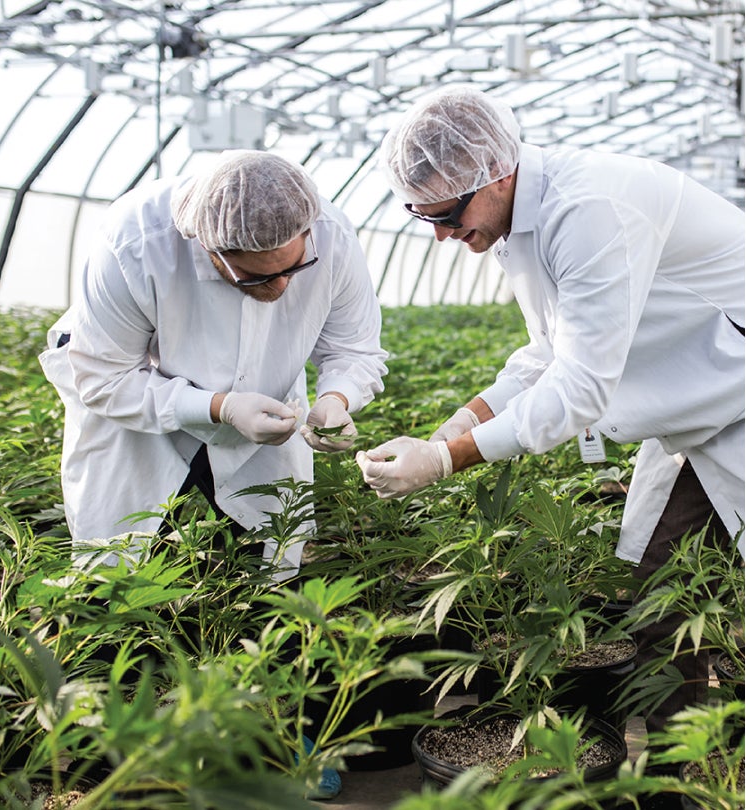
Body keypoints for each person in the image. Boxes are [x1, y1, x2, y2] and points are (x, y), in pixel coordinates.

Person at [356, 85, 744, 742]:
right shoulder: (516, 222)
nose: (447, 236)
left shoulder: (590, 207)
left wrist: (448, 459)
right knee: (663, 590)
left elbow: (579, 387)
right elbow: (546, 351)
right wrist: (461, 418)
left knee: (679, 590)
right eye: (428, 221)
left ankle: (712, 752)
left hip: (731, 397)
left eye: (449, 214)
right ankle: (677, 770)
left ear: (495, 171)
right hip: (700, 409)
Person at [40, 149, 387, 584]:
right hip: (138, 410)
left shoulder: (332, 235)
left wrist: (338, 398)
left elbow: (354, 347)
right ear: (210, 250)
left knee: (264, 558)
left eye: (295, 269)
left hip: (266, 393)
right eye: (256, 277)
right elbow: (106, 378)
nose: (281, 287)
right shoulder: (135, 242)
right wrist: (219, 407)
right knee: (127, 569)